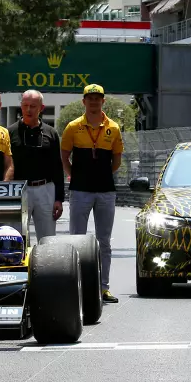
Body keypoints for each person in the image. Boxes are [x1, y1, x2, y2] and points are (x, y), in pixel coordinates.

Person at [61, 84, 124, 304]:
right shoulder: (73, 126)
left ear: (103, 101)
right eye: (90, 98)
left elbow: (116, 160)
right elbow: (64, 155)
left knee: (104, 241)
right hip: (80, 191)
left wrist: (103, 175)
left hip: (106, 191)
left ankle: (103, 287)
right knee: (76, 239)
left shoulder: (113, 127)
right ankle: (74, 286)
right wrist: (73, 175)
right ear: (84, 101)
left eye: (98, 98)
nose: (94, 102)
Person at [7, 90, 64, 244]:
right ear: (21, 106)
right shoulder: (9, 132)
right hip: (18, 190)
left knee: (48, 240)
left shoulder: (51, 133)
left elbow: (57, 166)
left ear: (41, 107)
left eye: (33, 106)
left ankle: (48, 268)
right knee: (17, 239)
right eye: (25, 105)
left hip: (45, 189)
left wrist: (59, 198)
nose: (28, 109)